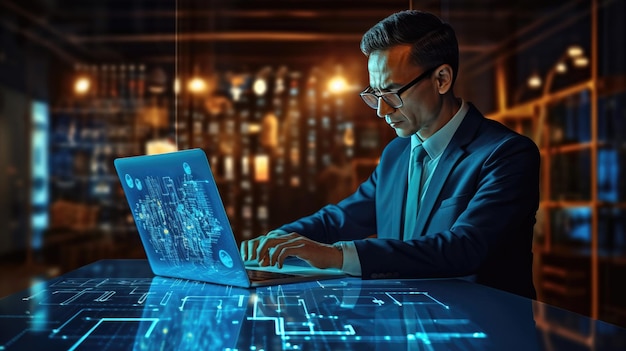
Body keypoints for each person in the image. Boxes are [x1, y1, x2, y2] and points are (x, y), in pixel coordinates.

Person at [240, 10, 540, 299]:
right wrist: (276, 240)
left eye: (393, 94)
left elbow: (465, 248)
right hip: (407, 326)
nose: (382, 111)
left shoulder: (506, 154)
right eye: (375, 95)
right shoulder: (397, 153)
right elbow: (341, 218)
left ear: (442, 79)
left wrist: (335, 256)